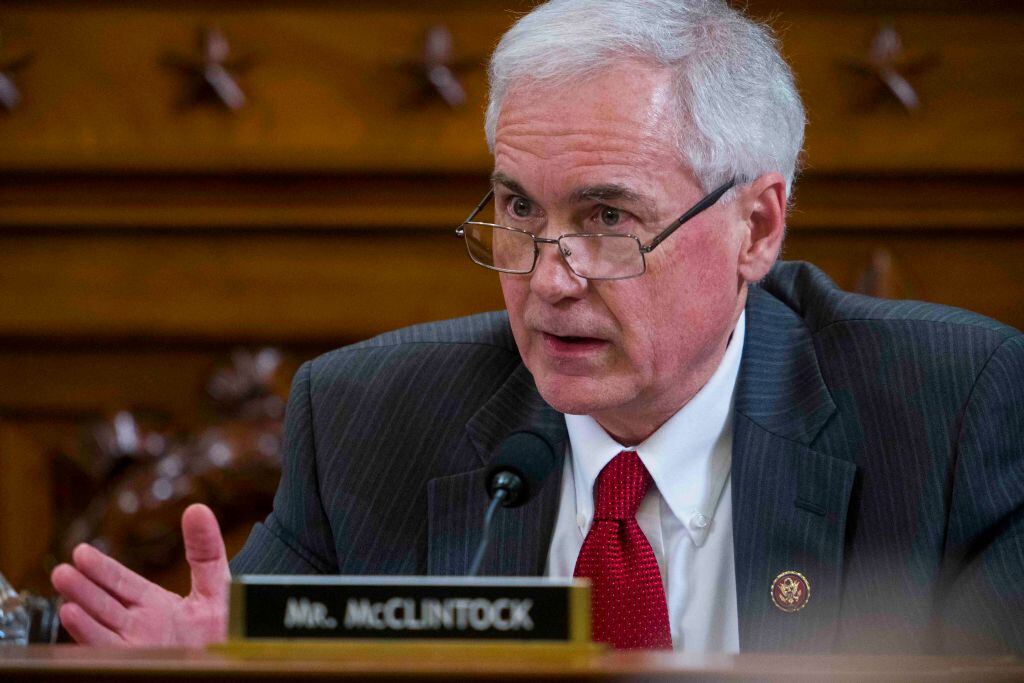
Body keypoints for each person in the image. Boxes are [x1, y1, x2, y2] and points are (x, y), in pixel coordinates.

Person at [50, 0, 1024, 654]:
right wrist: (220, 672)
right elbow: (253, 646)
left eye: (608, 218)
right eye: (518, 209)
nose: (548, 280)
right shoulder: (366, 422)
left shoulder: (952, 412)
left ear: (755, 226)